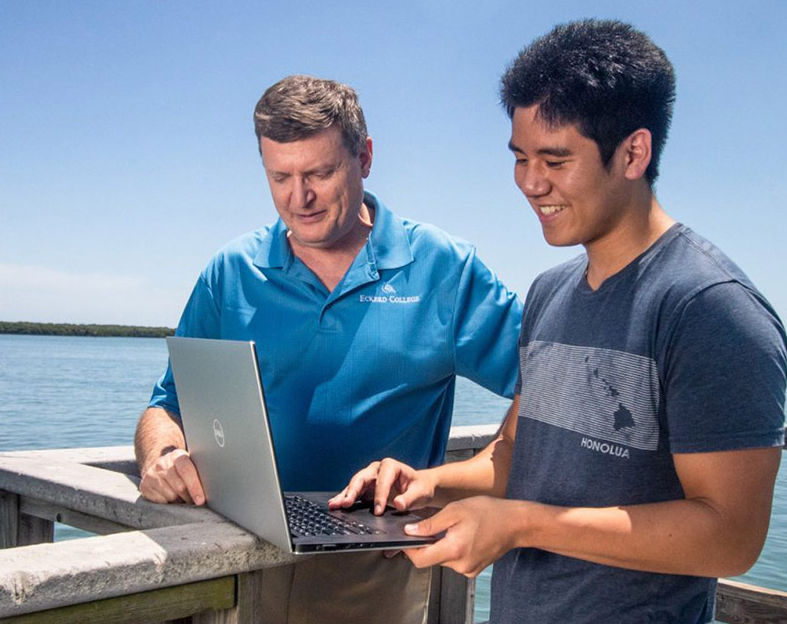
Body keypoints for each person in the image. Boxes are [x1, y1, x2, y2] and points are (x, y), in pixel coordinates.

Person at [331, 20, 787, 623]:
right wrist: (427, 483)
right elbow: (515, 453)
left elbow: (731, 536)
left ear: (633, 152)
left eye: (554, 159)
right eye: (520, 158)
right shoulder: (549, 294)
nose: (530, 182)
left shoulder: (711, 308)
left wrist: (521, 523)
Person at [134, 74, 523, 623]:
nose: (301, 198)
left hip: (372, 567)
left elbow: (548, 386)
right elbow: (166, 405)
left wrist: (478, 478)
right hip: (225, 553)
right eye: (280, 177)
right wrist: (162, 456)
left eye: (320, 172)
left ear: (364, 158)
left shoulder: (442, 266)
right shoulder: (230, 271)